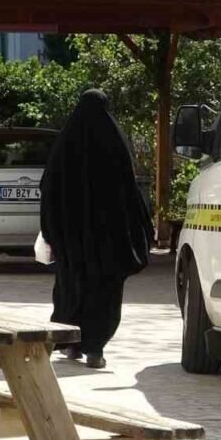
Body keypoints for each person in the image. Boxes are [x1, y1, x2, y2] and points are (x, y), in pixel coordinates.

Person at [39, 90, 153, 368]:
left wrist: (52, 231)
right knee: (104, 292)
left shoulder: (65, 146)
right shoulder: (114, 143)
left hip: (71, 240)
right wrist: (140, 231)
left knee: (71, 288)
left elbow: (48, 190)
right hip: (108, 240)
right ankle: (95, 349)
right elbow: (130, 191)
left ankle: (71, 343)